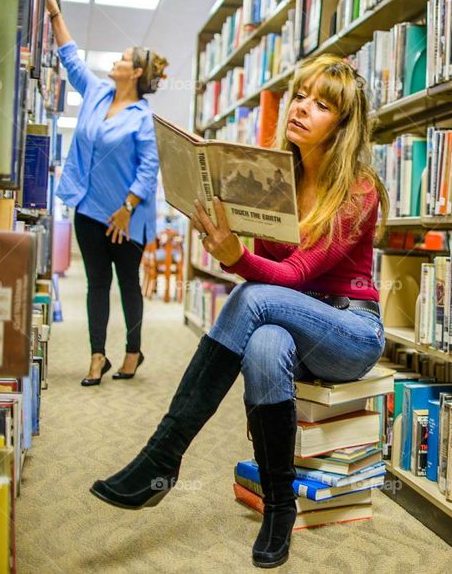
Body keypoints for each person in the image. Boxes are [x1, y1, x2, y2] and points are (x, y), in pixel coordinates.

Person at [89, 54, 389, 569]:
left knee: (250, 300)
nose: (302, 108)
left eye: (322, 105)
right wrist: (226, 234)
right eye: (300, 95)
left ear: (341, 124)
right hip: (289, 323)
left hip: (348, 330)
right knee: (266, 344)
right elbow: (268, 273)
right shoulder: (274, 179)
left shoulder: (358, 191)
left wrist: (236, 258)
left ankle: (162, 456)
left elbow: (289, 275)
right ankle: (279, 506)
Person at [46, 0, 168, 386]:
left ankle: (133, 352)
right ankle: (97, 355)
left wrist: (127, 208)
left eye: (122, 58)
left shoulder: (142, 118)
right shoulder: (96, 93)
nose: (115, 61)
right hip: (88, 209)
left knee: (127, 283)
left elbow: (149, 169)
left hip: (126, 217)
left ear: (134, 73)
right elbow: (70, 55)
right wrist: (53, 12)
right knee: (97, 282)